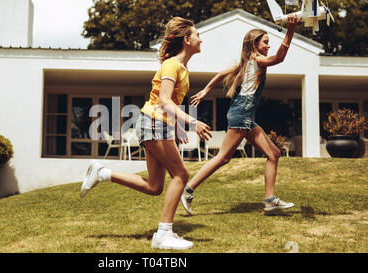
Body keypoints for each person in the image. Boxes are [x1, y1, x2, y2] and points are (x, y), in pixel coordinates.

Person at [80, 17, 211, 250]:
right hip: (152, 123)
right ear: (186, 39)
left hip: (156, 123)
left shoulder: (182, 68)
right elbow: (163, 100)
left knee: (154, 186)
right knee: (181, 174)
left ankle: (103, 172)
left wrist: (178, 126)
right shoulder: (172, 65)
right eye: (197, 34)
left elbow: (170, 102)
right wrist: (192, 121)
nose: (201, 38)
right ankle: (163, 234)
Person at [181, 14, 301, 215]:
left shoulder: (246, 63)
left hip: (244, 117)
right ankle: (187, 189)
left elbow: (220, 74)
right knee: (222, 157)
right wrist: (290, 30)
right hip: (241, 115)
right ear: (255, 44)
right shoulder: (257, 60)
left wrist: (205, 91)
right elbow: (279, 58)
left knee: (274, 153)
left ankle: (270, 200)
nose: (268, 46)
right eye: (265, 42)